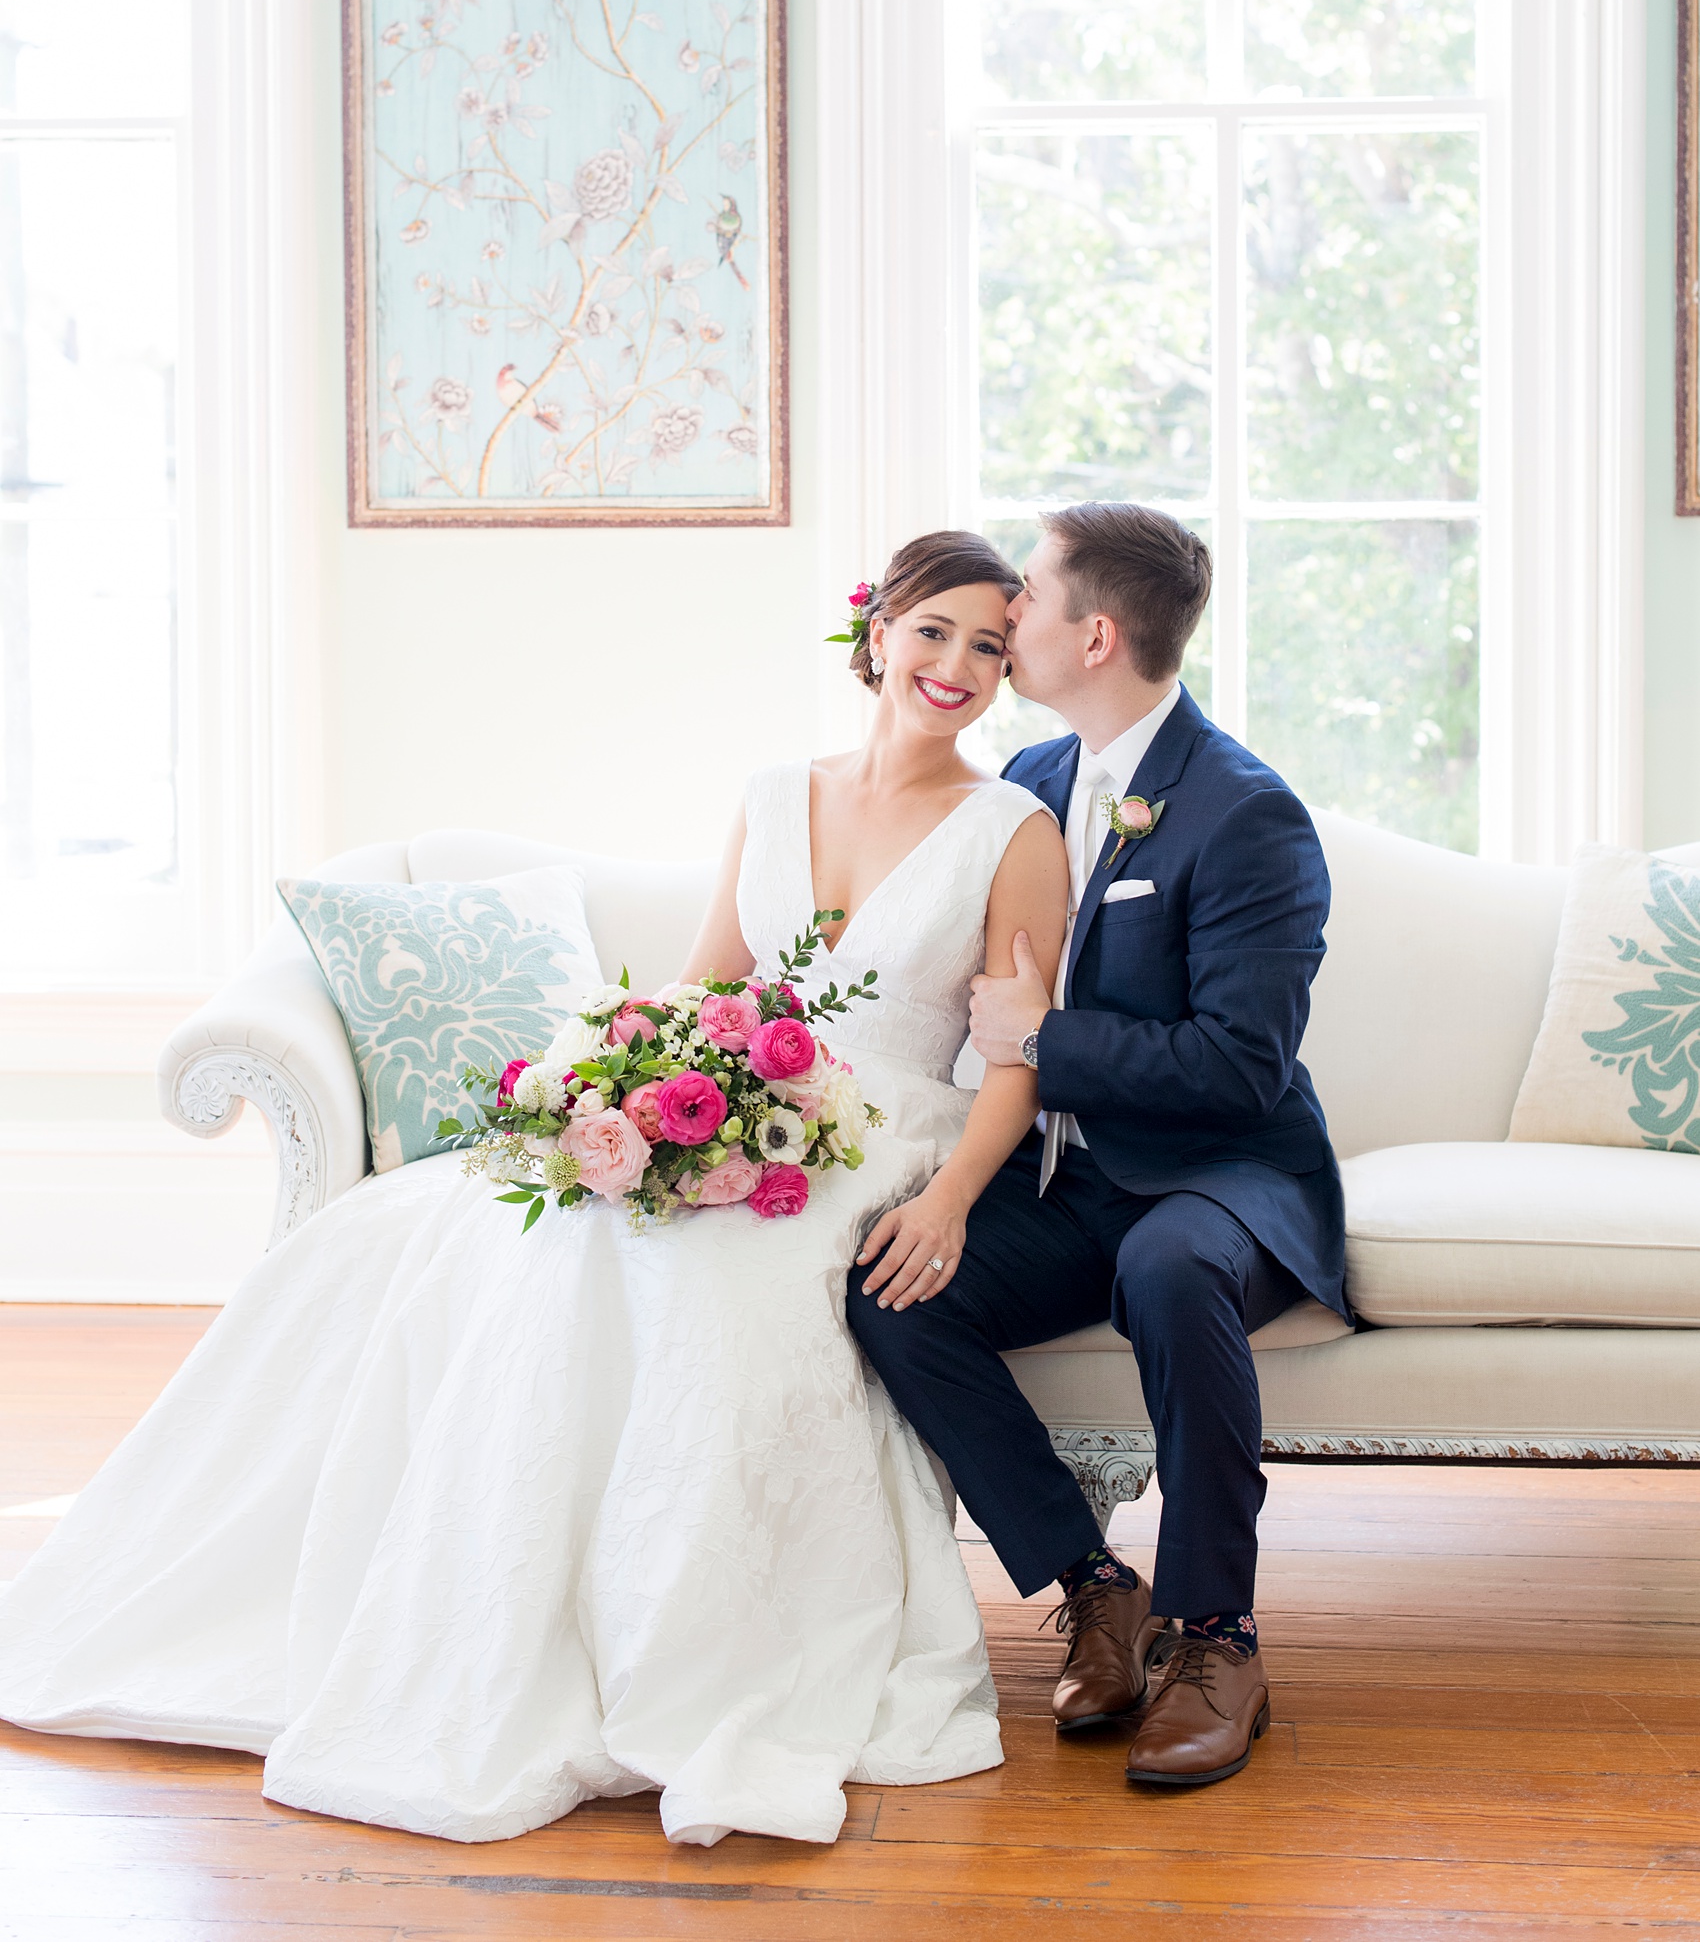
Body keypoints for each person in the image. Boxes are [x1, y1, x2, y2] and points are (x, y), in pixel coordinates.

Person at [0, 529, 1069, 1851]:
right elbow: (710, 984)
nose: (954, 665)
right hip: (742, 1096)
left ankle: (680, 1656)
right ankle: (484, 1615)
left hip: (890, 1132)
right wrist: (630, 1086)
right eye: (933, 631)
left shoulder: (1014, 829)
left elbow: (1022, 1052)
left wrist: (954, 1198)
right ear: (876, 633)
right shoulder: (772, 790)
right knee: (480, 1234)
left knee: (710, 1285)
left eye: (985, 645)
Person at [848, 502, 1345, 1791]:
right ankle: (1093, 1583)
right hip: (1062, 1183)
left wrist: (1049, 1036)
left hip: (1219, 1180)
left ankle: (1217, 1639)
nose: (1008, 615)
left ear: (1097, 632)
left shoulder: (1247, 813)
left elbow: (1245, 1068)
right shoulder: (1033, 783)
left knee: (1171, 1271)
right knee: (893, 1286)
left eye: (1033, 596)